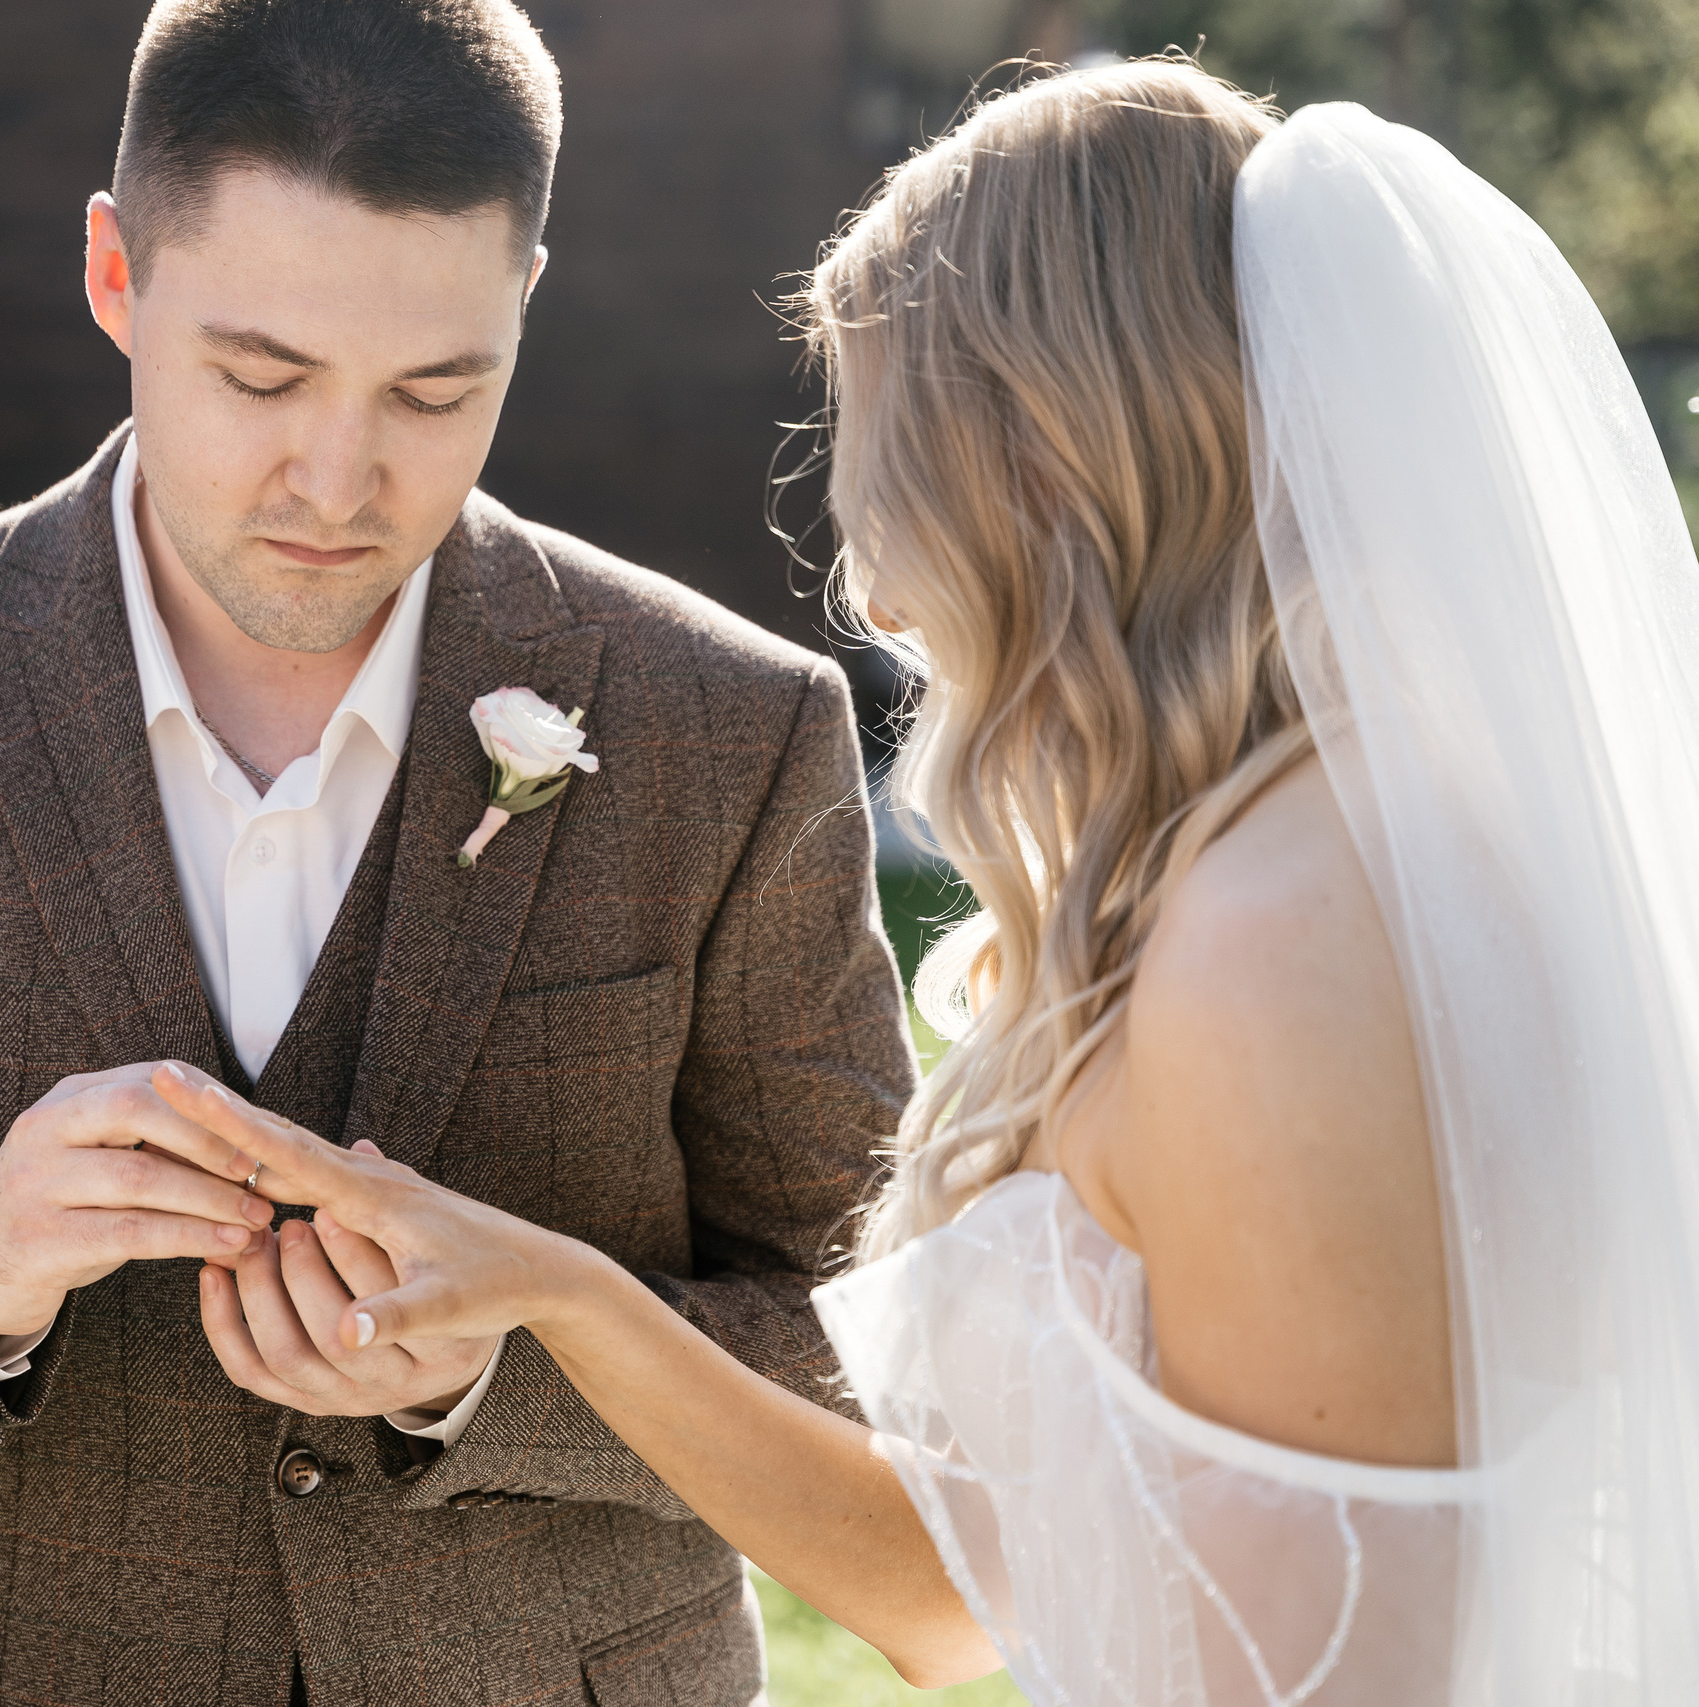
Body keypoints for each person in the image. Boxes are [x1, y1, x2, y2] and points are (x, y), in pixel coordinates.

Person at [145, 57, 1699, 1702]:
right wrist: (561, 1300)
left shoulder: (1279, 936)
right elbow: (958, 1591)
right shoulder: (1263, 863)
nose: (872, 569)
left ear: (1043, 452)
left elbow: (1344, 1661)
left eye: (892, 452)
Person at [0, 2, 913, 1703]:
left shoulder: (731, 729)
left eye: (436, 388)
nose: (339, 478)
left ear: (523, 305)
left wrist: (509, 1361)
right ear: (116, 277)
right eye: (258, 376)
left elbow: (885, 1345)